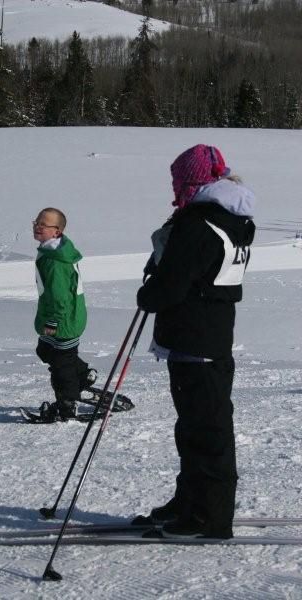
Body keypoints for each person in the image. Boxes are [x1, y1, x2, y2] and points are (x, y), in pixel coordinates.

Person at [135, 144, 256, 539]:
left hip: (196, 338)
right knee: (196, 427)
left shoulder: (199, 223)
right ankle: (190, 501)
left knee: (207, 431)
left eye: (179, 180)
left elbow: (172, 285)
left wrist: (149, 293)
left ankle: (209, 516)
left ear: (193, 182)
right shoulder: (231, 219)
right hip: (210, 337)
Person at [33, 207, 96, 421]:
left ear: (57, 231)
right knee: (45, 350)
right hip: (60, 317)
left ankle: (68, 403)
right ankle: (83, 375)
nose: (37, 226)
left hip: (63, 320)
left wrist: (52, 322)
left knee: (61, 364)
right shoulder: (52, 251)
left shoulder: (55, 262)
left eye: (44, 224)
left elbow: (60, 297)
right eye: (37, 222)